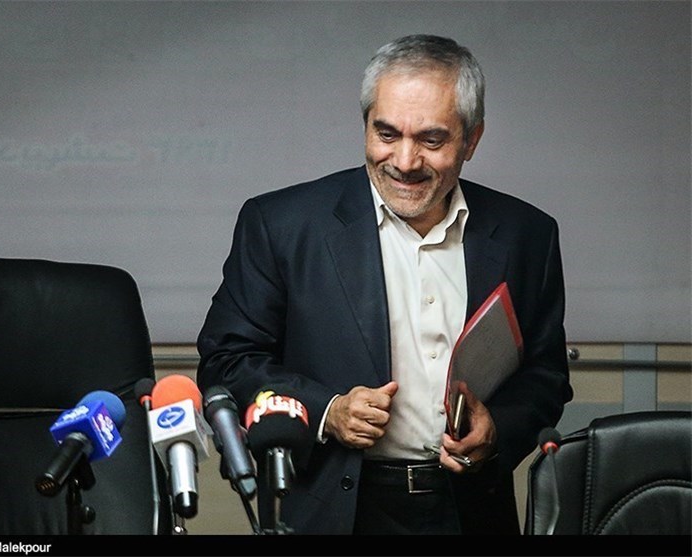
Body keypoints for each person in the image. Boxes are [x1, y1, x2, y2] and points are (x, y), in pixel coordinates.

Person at [196, 34, 573, 535]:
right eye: (387, 134)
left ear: (472, 140)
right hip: (331, 509)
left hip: (471, 511)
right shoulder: (281, 225)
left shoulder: (528, 235)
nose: (405, 161)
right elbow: (226, 361)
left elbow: (546, 374)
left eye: (431, 140)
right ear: (366, 124)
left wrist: (498, 428)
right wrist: (327, 411)